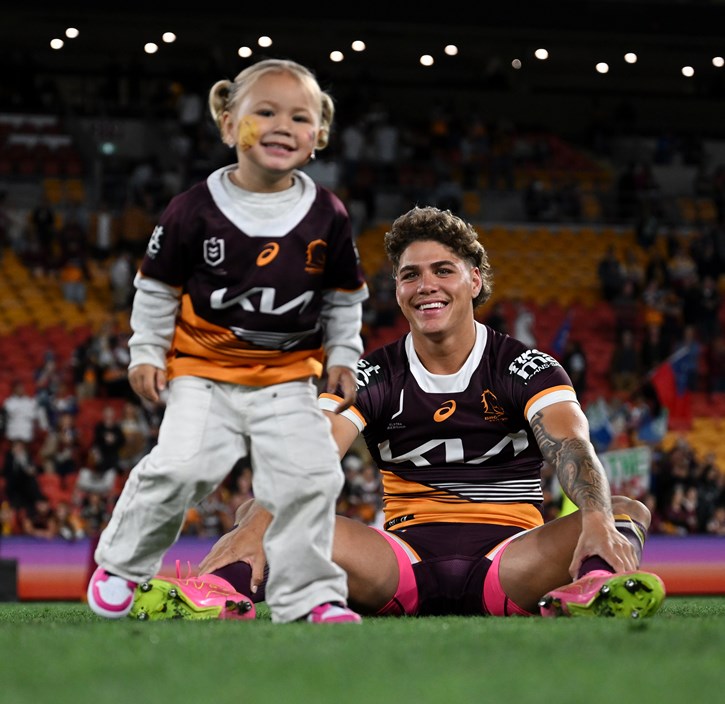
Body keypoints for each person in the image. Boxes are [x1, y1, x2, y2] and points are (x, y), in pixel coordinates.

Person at [136, 206, 665, 622]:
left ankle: (595, 585)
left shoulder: (526, 366)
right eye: (411, 275)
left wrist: (594, 522)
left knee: (621, 510)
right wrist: (255, 525)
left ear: (475, 280)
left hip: (512, 562)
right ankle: (221, 592)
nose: (426, 285)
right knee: (261, 507)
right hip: (398, 564)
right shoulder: (369, 374)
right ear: (398, 289)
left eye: (443, 270)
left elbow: (571, 447)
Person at [86, 58, 369, 625]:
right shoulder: (193, 209)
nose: (282, 125)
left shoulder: (328, 215)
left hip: (288, 380)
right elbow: (157, 289)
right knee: (181, 468)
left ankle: (308, 596)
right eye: (264, 112)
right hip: (205, 373)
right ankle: (121, 563)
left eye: (299, 117)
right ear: (226, 123)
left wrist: (343, 354)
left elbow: (343, 297)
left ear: (319, 135)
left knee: (311, 478)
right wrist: (146, 351)